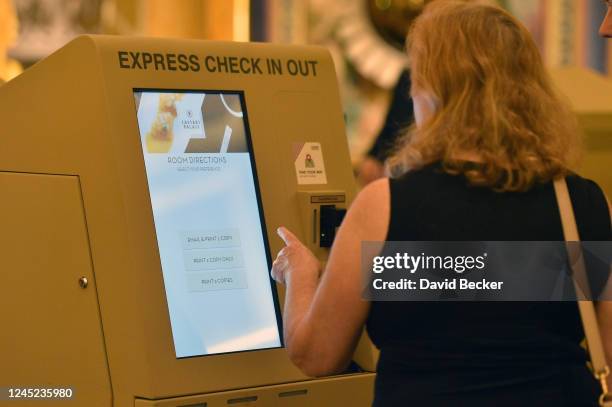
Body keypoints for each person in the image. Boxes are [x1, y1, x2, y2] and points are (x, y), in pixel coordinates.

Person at [271, 1, 612, 406]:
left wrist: (301, 274)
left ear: (431, 90)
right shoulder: (579, 203)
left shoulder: (384, 208)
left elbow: (316, 353)